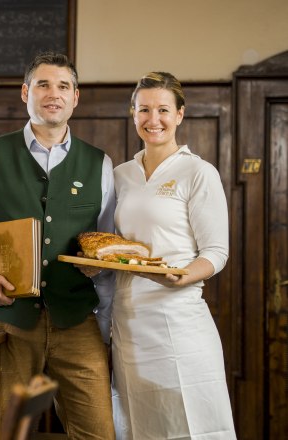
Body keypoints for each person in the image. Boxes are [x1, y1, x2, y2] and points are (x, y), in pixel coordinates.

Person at [0, 51, 116, 439]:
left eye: (63, 86)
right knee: (1, 429)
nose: (54, 94)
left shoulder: (99, 164)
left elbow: (107, 242)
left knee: (98, 431)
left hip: (77, 320)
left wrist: (101, 268)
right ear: (25, 92)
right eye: (43, 84)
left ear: (76, 97)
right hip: (6, 320)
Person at [111, 72, 235, 439]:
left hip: (179, 319)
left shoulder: (198, 172)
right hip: (128, 322)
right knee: (139, 424)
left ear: (180, 115)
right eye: (144, 109)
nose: (154, 119)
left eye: (163, 110)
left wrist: (182, 275)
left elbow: (216, 252)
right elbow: (109, 244)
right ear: (132, 114)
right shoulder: (120, 175)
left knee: (194, 424)